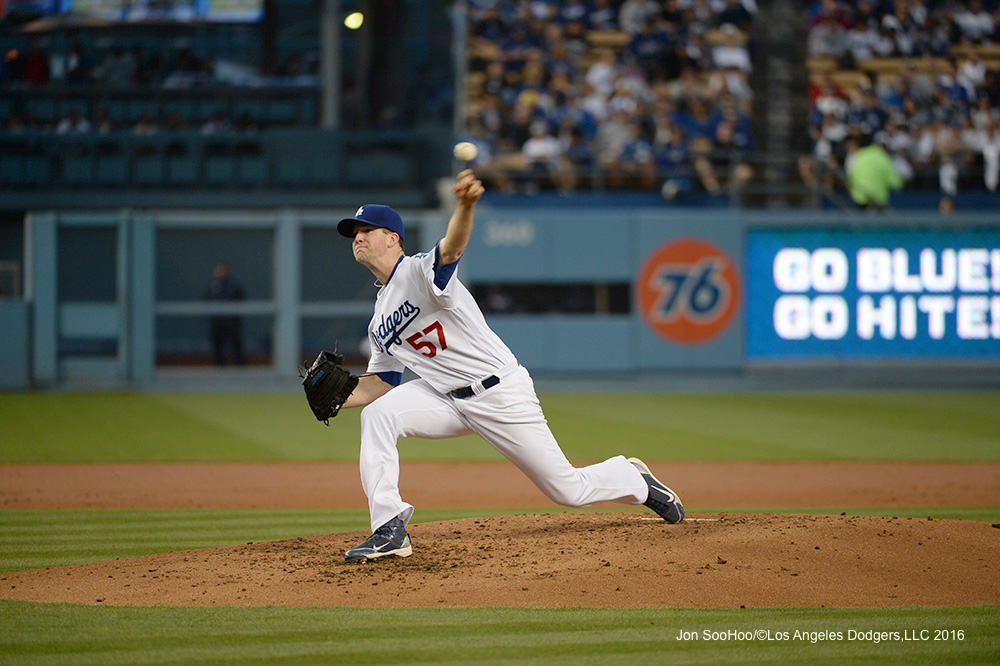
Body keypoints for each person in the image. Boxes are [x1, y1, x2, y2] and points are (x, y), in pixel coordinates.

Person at [333, 170, 684, 563]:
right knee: (378, 416)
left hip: (498, 391)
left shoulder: (418, 272)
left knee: (567, 490)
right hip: (446, 399)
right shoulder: (379, 319)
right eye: (354, 233)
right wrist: (333, 399)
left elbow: (451, 249)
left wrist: (465, 205)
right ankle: (389, 529)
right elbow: (382, 382)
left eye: (368, 229)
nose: (358, 237)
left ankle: (631, 478)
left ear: (393, 238)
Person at [204, 262, 245, 366]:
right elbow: (207, 300)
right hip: (217, 321)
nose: (221, 272)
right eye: (219, 270)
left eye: (223, 270)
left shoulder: (234, 285)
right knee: (218, 346)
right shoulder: (213, 286)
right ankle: (219, 368)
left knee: (236, 346)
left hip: (231, 321)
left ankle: (240, 368)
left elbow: (240, 300)